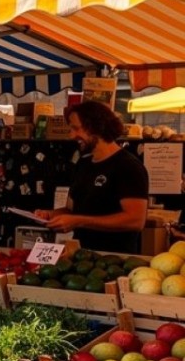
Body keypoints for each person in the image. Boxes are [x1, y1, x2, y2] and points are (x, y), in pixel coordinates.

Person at [35, 101, 149, 253]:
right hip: (83, 258)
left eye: (76, 128)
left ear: (96, 127)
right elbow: (72, 210)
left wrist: (79, 221)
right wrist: (50, 215)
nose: (72, 135)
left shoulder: (128, 166)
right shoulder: (83, 163)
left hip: (115, 261)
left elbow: (135, 220)